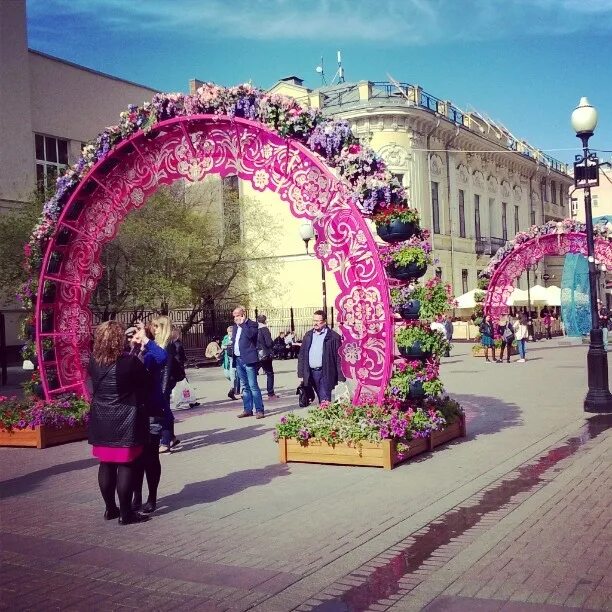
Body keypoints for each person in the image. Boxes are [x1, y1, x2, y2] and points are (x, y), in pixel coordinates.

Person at [87, 321, 150, 525]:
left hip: (102, 420)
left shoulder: (93, 362)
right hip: (125, 419)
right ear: (118, 339)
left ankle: (110, 509)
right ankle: (126, 513)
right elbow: (144, 386)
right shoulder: (130, 362)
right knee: (126, 465)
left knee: (105, 464)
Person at [130, 323, 168, 514]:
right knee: (135, 458)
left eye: (138, 337)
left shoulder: (152, 355)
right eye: (133, 337)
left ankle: (151, 497)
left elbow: (163, 357)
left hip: (152, 409)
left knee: (151, 456)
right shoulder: (129, 356)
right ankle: (136, 496)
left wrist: (146, 340)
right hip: (132, 412)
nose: (135, 340)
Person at [297, 310, 345, 403]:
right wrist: (301, 374)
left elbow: (339, 358)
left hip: (325, 372)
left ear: (324, 321)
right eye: (314, 320)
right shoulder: (308, 335)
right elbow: (302, 355)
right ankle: (325, 414)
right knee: (320, 397)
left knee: (325, 399)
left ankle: (326, 415)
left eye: (318, 321)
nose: (315, 323)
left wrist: (340, 377)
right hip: (310, 373)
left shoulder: (333, 337)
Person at [151, 316, 181, 453]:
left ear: (163, 328)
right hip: (159, 381)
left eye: (157, 327)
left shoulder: (168, 345)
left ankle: (166, 441)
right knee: (165, 410)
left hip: (164, 383)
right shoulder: (159, 343)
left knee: (164, 411)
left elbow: (167, 370)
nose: (154, 330)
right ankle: (171, 437)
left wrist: (163, 388)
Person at [233, 306, 265, 419]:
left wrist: (242, 324)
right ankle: (247, 409)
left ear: (243, 314)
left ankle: (259, 410)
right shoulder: (235, 327)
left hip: (249, 359)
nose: (235, 318)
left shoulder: (252, 324)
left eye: (237, 315)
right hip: (238, 359)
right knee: (245, 386)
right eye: (234, 316)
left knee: (253, 385)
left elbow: (251, 336)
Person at [256, 314, 279, 400]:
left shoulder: (254, 329)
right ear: (265, 320)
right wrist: (273, 345)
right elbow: (268, 342)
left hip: (255, 354)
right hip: (265, 354)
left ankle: (248, 392)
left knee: (253, 373)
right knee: (269, 373)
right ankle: (271, 393)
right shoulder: (264, 329)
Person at [221, 325, 241, 400]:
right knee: (227, 375)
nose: (230, 333)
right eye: (229, 332)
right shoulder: (225, 338)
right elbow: (222, 346)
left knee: (233, 376)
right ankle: (234, 386)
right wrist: (226, 346)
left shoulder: (235, 338)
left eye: (231, 331)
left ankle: (232, 391)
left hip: (233, 358)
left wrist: (228, 345)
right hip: (227, 359)